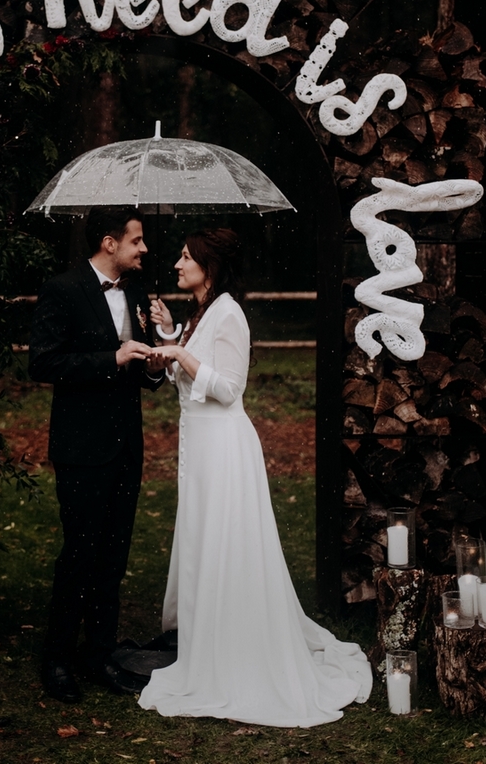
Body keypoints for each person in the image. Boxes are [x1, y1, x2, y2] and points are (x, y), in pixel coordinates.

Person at [138, 228, 372, 727]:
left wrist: (180, 354)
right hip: (199, 449)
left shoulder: (229, 313)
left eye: (185, 258)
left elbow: (228, 387)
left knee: (227, 543)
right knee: (205, 542)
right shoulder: (202, 313)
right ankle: (209, 639)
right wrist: (168, 336)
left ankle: (236, 650)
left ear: (210, 266)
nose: (177, 265)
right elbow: (188, 375)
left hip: (223, 448)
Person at [29, 205, 165, 702]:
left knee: (113, 558)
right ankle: (58, 659)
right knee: (80, 554)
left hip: (127, 446)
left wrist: (151, 358)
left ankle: (100, 653)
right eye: (136, 240)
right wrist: (111, 358)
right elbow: (43, 362)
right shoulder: (63, 289)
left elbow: (147, 373)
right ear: (109, 243)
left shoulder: (135, 292)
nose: (144, 249)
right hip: (82, 449)